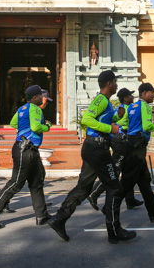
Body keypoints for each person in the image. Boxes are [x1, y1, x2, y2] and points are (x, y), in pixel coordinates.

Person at [47, 70, 136, 244]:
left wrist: (115, 119)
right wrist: (111, 129)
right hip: (97, 149)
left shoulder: (107, 102)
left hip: (94, 147)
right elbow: (87, 119)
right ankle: (114, 230)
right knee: (115, 187)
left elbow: (101, 122)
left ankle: (58, 219)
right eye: (115, 81)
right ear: (109, 83)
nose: (117, 85)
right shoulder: (101, 99)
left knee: (83, 188)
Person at [0, 85, 51, 228]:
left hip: (26, 149)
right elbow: (36, 127)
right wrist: (47, 126)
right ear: (35, 98)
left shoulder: (22, 108)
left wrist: (23, 130)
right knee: (16, 183)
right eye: (40, 95)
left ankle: (42, 215)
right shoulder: (36, 109)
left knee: (37, 181)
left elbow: (14, 123)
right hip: (26, 150)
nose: (42, 97)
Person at [88, 87, 143, 211]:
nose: (132, 97)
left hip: (118, 139)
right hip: (122, 139)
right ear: (125, 98)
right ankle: (94, 193)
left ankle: (130, 199)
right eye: (130, 95)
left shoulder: (119, 109)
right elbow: (131, 123)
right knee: (115, 170)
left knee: (127, 171)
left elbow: (113, 120)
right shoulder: (128, 108)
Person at [119, 83, 154, 222]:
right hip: (138, 145)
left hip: (131, 142)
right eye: (152, 92)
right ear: (144, 93)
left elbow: (124, 122)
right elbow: (147, 126)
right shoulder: (145, 106)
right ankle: (110, 205)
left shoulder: (132, 107)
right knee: (128, 180)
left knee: (144, 180)